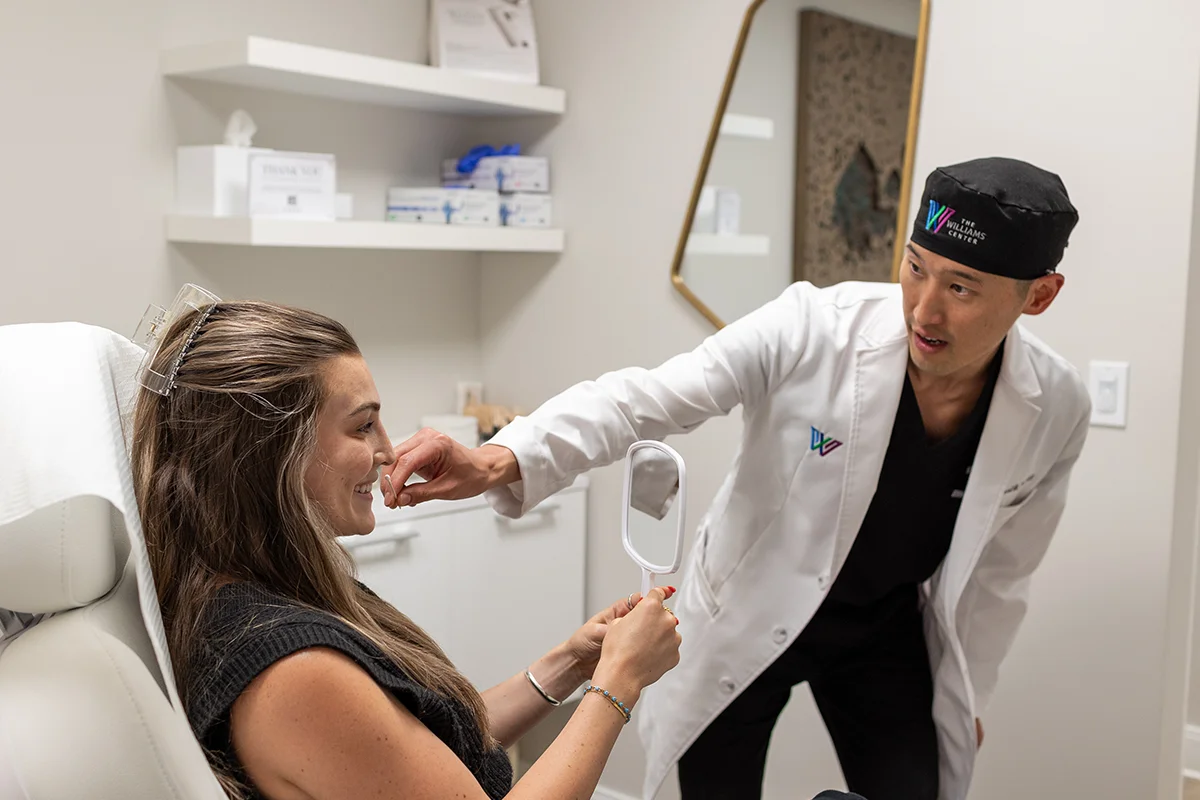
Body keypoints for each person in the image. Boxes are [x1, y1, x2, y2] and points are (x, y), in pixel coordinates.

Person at [379, 157, 1091, 800]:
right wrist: (500, 458)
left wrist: (969, 699)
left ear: (1039, 296)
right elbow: (645, 397)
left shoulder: (1055, 406)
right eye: (914, 268)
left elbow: (1002, 573)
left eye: (962, 288)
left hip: (888, 630)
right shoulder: (813, 327)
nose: (923, 310)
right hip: (748, 605)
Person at [128, 300, 684, 800]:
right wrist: (618, 684)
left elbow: (412, 753)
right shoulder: (293, 669)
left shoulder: (260, 594)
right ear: (272, 453)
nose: (388, 451)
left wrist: (568, 665)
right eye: (363, 426)